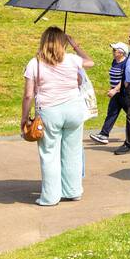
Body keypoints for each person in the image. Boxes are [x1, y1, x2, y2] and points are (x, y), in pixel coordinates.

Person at [21, 27, 94, 206]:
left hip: (49, 111)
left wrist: (24, 117)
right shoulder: (71, 59)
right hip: (74, 110)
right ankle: (73, 190)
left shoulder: (34, 63)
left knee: (49, 153)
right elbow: (90, 62)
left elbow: (28, 95)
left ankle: (50, 196)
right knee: (73, 151)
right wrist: (75, 45)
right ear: (63, 43)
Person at [89, 42, 128, 144]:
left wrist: (115, 90)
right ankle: (104, 135)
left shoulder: (126, 63)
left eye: (115, 50)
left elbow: (125, 79)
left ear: (122, 52)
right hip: (115, 93)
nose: (113, 52)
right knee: (111, 113)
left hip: (123, 93)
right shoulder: (114, 62)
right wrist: (112, 89)